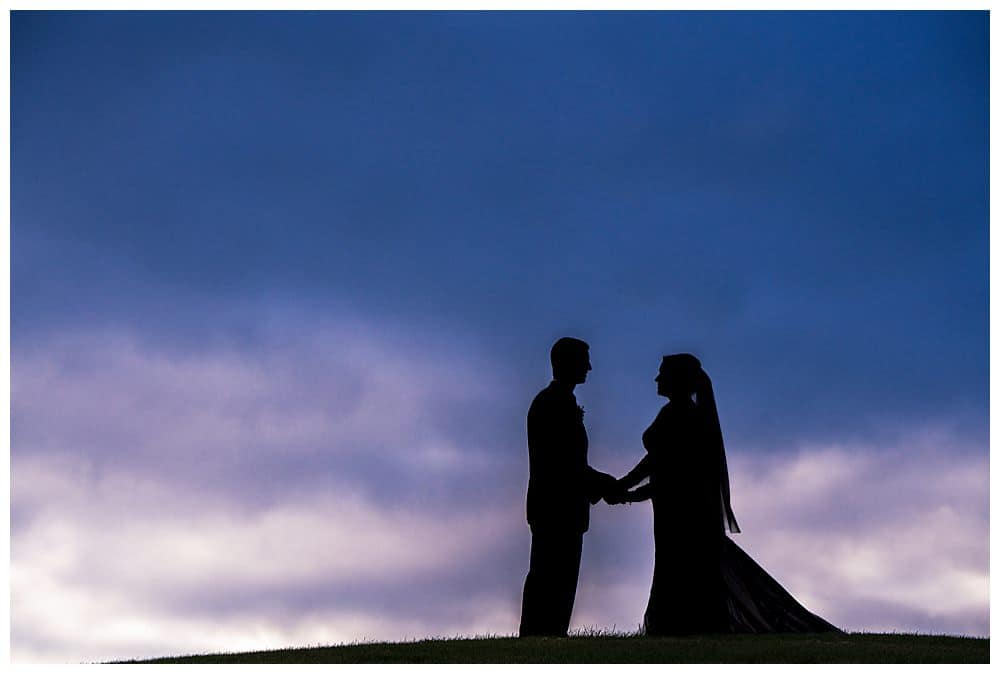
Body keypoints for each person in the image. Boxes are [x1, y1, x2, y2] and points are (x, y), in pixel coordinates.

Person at [609, 353, 839, 635]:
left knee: (681, 569)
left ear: (677, 380)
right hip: (672, 509)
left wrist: (625, 492)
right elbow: (656, 462)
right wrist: (622, 486)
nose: (657, 379)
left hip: (681, 512)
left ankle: (680, 628)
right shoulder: (678, 414)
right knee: (678, 567)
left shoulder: (681, 417)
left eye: (662, 373)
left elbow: (673, 474)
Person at [518, 337, 618, 637]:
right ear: (566, 363)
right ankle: (541, 638)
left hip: (559, 509)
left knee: (555, 582)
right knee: (551, 581)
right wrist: (605, 484)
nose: (589, 366)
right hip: (556, 509)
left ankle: (545, 638)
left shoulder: (557, 402)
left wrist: (601, 484)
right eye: (583, 360)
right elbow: (565, 464)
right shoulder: (554, 404)